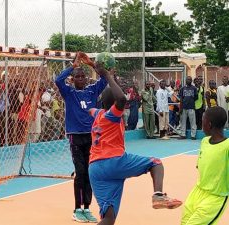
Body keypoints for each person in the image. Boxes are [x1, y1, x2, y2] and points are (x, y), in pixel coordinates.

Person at [88, 64, 182, 225]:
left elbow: (92, 107)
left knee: (108, 218)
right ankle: (158, 195)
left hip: (95, 169)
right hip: (114, 161)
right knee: (155, 163)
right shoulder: (112, 115)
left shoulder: (97, 114)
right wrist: (107, 76)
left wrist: (109, 76)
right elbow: (122, 99)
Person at [55, 52, 107, 223]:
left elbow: (105, 79)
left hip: (91, 136)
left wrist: (92, 65)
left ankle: (87, 208)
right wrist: (73, 66)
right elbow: (57, 80)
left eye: (83, 76)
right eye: (77, 76)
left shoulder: (92, 91)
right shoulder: (69, 93)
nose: (80, 78)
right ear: (72, 79)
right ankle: (77, 209)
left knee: (90, 173)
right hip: (75, 136)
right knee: (81, 172)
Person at [181, 106, 229, 225]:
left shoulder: (227, 146)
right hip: (197, 192)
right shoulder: (204, 142)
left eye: (203, 121)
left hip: (215, 197)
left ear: (209, 124)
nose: (201, 125)